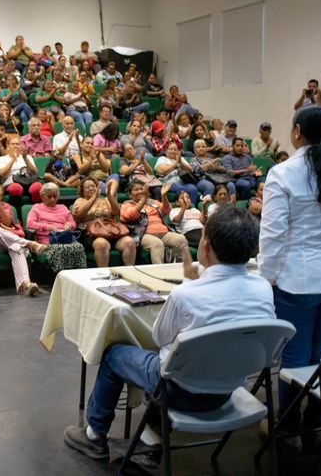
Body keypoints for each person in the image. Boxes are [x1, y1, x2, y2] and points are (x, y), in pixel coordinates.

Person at [63, 207, 275, 462]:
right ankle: (151, 434)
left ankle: (95, 435)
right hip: (228, 390)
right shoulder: (264, 288)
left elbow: (160, 338)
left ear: (205, 246)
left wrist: (189, 284)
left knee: (114, 354)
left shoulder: (187, 294)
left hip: (179, 393)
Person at [258, 76, 321, 446]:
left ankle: (288, 425)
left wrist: (265, 278)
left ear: (296, 132)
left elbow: (272, 235)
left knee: (297, 358)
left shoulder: (282, 172)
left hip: (299, 282)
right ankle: (316, 421)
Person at [0, 183, 46, 296]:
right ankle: (29, 243)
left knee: (16, 248)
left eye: (0, 195)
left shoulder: (6, 206)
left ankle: (26, 285)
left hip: (9, 241)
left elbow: (7, 223)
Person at [72, 178, 136, 267]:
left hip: (111, 232)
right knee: (102, 244)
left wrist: (109, 196)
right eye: (87, 187)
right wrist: (94, 197)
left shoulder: (105, 200)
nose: (91, 188)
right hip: (92, 234)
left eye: (93, 186)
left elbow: (117, 212)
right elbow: (80, 214)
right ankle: (103, 275)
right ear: (82, 191)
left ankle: (130, 272)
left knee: (129, 242)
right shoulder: (80, 201)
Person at [121, 180, 186, 263]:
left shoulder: (152, 202)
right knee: (157, 243)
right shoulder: (127, 205)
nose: (140, 191)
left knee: (181, 239)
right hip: (143, 235)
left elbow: (167, 210)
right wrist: (144, 198)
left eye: (141, 189)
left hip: (163, 233)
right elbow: (132, 214)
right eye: (136, 190)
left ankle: (179, 269)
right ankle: (160, 273)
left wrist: (163, 196)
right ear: (130, 194)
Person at [0, 135, 42, 210]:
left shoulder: (27, 157)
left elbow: (35, 172)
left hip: (28, 182)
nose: (15, 146)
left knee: (37, 186)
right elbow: (1, 173)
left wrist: (25, 158)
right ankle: (16, 214)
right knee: (16, 188)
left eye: (17, 144)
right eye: (13, 144)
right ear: (8, 145)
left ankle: (39, 212)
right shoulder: (2, 159)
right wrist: (12, 159)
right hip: (11, 183)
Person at [155, 141, 199, 206]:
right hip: (168, 183)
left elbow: (190, 170)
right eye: (170, 149)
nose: (173, 151)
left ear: (178, 151)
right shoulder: (162, 159)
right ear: (166, 151)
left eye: (175, 149)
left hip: (183, 182)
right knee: (180, 188)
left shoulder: (181, 159)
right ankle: (182, 208)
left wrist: (180, 161)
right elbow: (162, 170)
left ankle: (192, 208)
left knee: (193, 189)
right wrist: (175, 163)